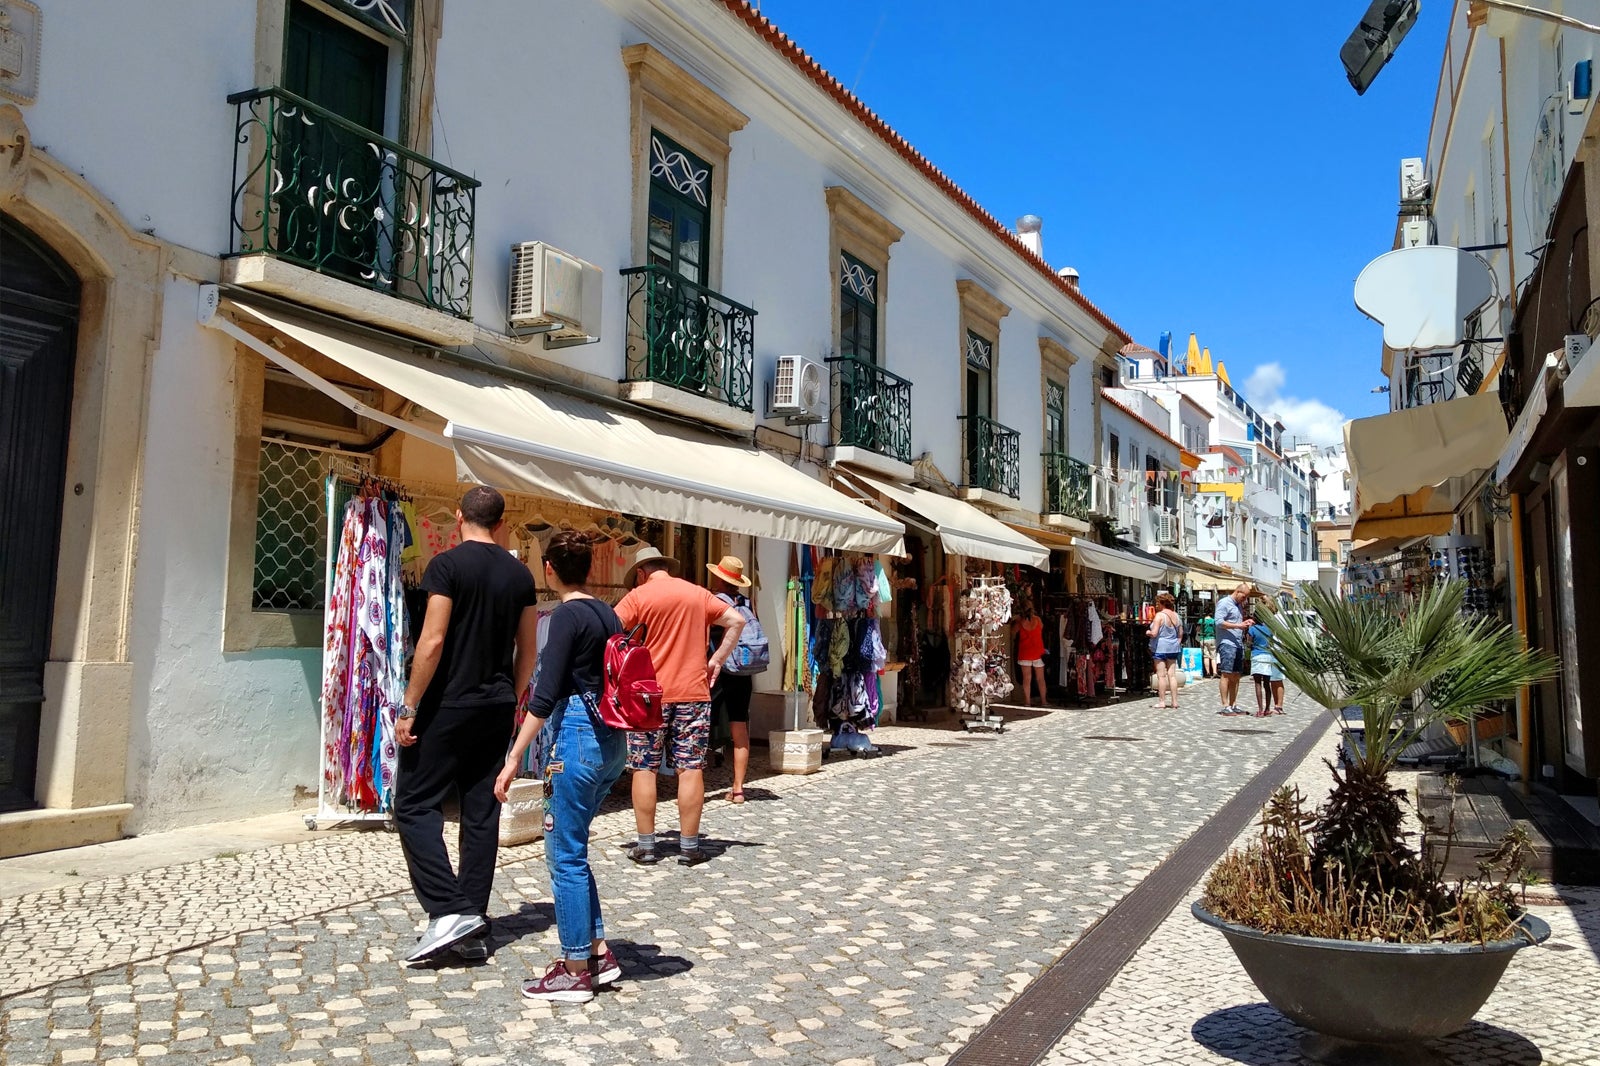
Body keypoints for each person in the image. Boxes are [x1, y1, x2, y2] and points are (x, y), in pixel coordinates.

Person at [394, 486, 537, 965]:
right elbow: (529, 650)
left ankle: (450, 908)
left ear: (459, 518)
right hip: (495, 704)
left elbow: (432, 640)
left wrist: (410, 703)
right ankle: (472, 921)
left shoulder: (447, 566)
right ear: (499, 522)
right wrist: (513, 700)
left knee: (414, 804)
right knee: (480, 813)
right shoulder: (521, 574)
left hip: (448, 704)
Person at [495, 531, 627, 1004]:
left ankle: (574, 970)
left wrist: (514, 756)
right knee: (572, 848)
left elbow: (544, 694)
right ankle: (597, 950)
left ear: (548, 569)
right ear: (590, 568)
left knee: (564, 855)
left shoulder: (567, 617)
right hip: (612, 741)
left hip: (577, 738)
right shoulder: (606, 613)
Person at [616, 547, 746, 866]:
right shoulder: (696, 593)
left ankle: (646, 847)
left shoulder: (639, 596)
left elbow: (610, 630)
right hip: (692, 692)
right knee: (690, 768)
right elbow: (736, 620)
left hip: (648, 696)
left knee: (644, 767)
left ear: (642, 573)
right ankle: (689, 848)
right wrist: (716, 660)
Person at [707, 555, 757, 804]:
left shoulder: (714, 602)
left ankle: (692, 787)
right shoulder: (745, 602)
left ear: (719, 577)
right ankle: (738, 789)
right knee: (740, 730)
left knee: (700, 728)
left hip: (718, 672)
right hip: (742, 674)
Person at [1213, 583, 1256, 717]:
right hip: (1227, 643)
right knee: (1226, 673)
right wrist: (1238, 625)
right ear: (1237, 592)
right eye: (1244, 596)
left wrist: (1245, 623)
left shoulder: (1238, 606)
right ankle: (1225, 705)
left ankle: (1233, 703)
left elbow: (1237, 623)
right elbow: (1218, 622)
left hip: (1237, 643)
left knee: (1236, 674)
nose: (1245, 600)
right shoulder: (1224, 603)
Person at [1147, 591, 1184, 710]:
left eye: (1157, 603)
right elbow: (1180, 634)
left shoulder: (1159, 616)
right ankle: (1174, 701)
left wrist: (1147, 632)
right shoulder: (1177, 616)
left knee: (1161, 676)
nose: (1156, 605)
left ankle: (1162, 702)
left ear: (1162, 603)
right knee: (1172, 675)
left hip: (1160, 647)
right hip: (1173, 647)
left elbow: (1154, 633)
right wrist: (1176, 642)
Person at [1248, 617, 1286, 718]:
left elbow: (1249, 643)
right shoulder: (1268, 629)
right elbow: (1271, 642)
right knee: (1267, 683)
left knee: (1257, 684)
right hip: (1268, 656)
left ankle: (1260, 710)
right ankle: (1267, 709)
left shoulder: (1252, 629)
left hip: (1257, 655)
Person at [1013, 600, 1048, 707]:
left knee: (1026, 679)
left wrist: (1016, 619)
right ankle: (1044, 701)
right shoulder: (1038, 620)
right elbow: (1041, 628)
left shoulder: (1020, 622)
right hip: (1038, 651)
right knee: (1040, 679)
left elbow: (1013, 632)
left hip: (1025, 652)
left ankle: (1027, 702)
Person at [1198, 611, 1217, 678]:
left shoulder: (1201, 620)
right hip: (1212, 638)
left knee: (1206, 656)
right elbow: (1216, 630)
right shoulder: (1213, 621)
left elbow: (1198, 629)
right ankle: (1214, 672)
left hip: (1203, 638)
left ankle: (1208, 672)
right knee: (1213, 656)